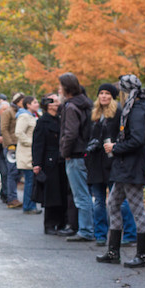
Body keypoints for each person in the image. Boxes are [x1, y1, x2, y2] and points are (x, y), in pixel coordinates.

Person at [96, 75, 145, 267]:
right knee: (112, 203)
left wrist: (115, 147)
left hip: (132, 166)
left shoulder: (136, 110)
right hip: (124, 166)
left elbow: (138, 140)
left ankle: (142, 256)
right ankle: (113, 252)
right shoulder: (137, 107)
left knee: (137, 209)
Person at [86, 84, 136, 246]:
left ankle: (129, 234)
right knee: (99, 201)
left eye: (107, 93)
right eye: (101, 93)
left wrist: (114, 147)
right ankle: (101, 234)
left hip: (112, 162)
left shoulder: (118, 114)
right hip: (95, 163)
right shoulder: (94, 115)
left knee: (120, 200)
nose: (104, 96)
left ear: (112, 96)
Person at [57, 72, 95, 241]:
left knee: (80, 195)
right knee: (87, 193)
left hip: (75, 154)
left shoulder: (71, 107)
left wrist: (65, 152)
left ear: (66, 87)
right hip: (86, 152)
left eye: (60, 86)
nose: (58, 89)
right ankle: (91, 227)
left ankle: (86, 230)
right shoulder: (86, 104)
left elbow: (70, 133)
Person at [32, 93, 69, 234]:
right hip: (49, 161)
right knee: (51, 193)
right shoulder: (43, 122)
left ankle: (62, 222)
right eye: (55, 101)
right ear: (49, 105)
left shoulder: (61, 119)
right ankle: (49, 224)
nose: (58, 103)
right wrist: (37, 163)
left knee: (62, 191)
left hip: (61, 159)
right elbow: (38, 144)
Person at [14, 96, 40, 213]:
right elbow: (19, 132)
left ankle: (30, 205)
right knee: (30, 180)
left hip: (31, 153)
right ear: (28, 105)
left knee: (32, 180)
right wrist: (32, 143)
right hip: (27, 153)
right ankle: (28, 206)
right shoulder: (24, 116)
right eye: (35, 102)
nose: (37, 104)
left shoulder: (32, 116)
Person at [0, 98, 20, 207]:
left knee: (17, 172)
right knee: (12, 172)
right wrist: (9, 144)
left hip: (19, 145)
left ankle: (11, 195)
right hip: (11, 146)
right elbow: (4, 129)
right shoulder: (8, 112)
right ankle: (11, 197)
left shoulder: (21, 111)